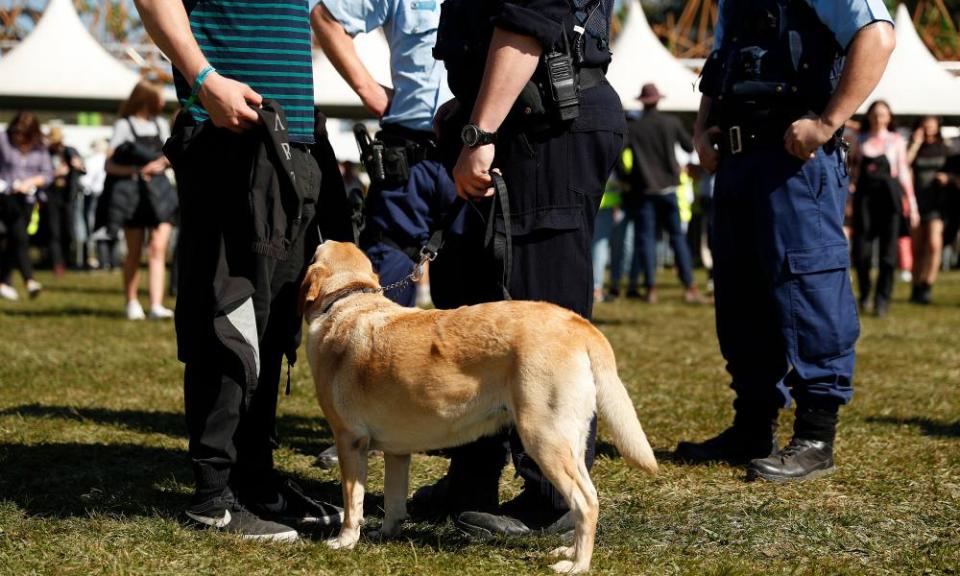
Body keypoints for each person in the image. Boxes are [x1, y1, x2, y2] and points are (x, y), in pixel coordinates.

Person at [133, 0, 347, 541]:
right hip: (227, 137)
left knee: (272, 324)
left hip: (289, 141)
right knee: (227, 315)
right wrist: (203, 78)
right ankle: (213, 495)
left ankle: (255, 478)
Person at [419, 0, 624, 537]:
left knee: (541, 312)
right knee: (478, 309)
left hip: (550, 124)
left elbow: (525, 27)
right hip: (520, 119)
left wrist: (479, 132)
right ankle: (472, 477)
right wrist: (471, 111)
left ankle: (553, 494)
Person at [676, 0, 896, 481]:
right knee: (741, 296)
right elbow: (719, 65)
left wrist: (827, 121)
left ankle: (816, 437)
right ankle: (751, 428)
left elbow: (878, 35)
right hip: (738, 163)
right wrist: (700, 128)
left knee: (809, 290)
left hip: (795, 164)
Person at [311, 0, 457, 307]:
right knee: (384, 299)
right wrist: (368, 90)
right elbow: (326, 17)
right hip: (406, 159)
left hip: (472, 148)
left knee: (475, 299)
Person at [623, 83, 705, 304]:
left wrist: (627, 180)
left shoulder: (634, 128)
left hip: (644, 190)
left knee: (647, 240)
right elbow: (689, 147)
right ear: (659, 100)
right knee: (677, 238)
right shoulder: (671, 123)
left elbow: (620, 157)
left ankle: (650, 289)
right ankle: (690, 287)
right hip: (669, 188)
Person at [102, 80, 177, 320]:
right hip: (133, 196)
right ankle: (132, 301)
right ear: (146, 99)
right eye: (159, 97)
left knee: (158, 248)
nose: (164, 102)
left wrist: (161, 163)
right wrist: (136, 171)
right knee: (134, 250)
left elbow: (171, 154)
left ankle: (156, 304)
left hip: (160, 194)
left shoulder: (161, 124)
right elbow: (109, 164)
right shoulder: (124, 125)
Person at [850, 100, 918, 317]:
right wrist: (847, 200)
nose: (879, 118)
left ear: (889, 118)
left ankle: (882, 300)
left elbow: (904, 173)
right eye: (876, 114)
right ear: (869, 116)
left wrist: (912, 206)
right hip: (865, 201)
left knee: (888, 256)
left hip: (889, 200)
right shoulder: (859, 140)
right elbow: (853, 174)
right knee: (862, 253)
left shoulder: (896, 141)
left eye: (884, 114)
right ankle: (865, 294)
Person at [0, 111, 51, 301]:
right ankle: (29, 280)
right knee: (19, 235)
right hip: (5, 198)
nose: (18, 136)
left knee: (15, 239)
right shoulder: (2, 141)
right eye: (15, 131)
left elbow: (47, 174)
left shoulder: (40, 148)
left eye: (23, 133)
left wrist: (30, 183)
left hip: (28, 199)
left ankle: (4, 282)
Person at [907, 115, 951, 304]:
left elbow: (954, 170)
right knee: (917, 248)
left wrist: (947, 177)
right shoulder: (914, 147)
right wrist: (916, 144)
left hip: (937, 203)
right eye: (925, 126)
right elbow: (904, 164)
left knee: (934, 244)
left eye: (932, 125)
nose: (929, 129)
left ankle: (927, 285)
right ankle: (916, 287)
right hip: (917, 202)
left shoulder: (945, 148)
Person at [46, 126, 85, 276]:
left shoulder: (70, 151)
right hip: (52, 195)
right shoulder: (46, 153)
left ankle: (67, 259)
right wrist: (55, 173)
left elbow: (83, 169)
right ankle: (57, 263)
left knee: (68, 230)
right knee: (54, 231)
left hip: (69, 196)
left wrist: (78, 165)